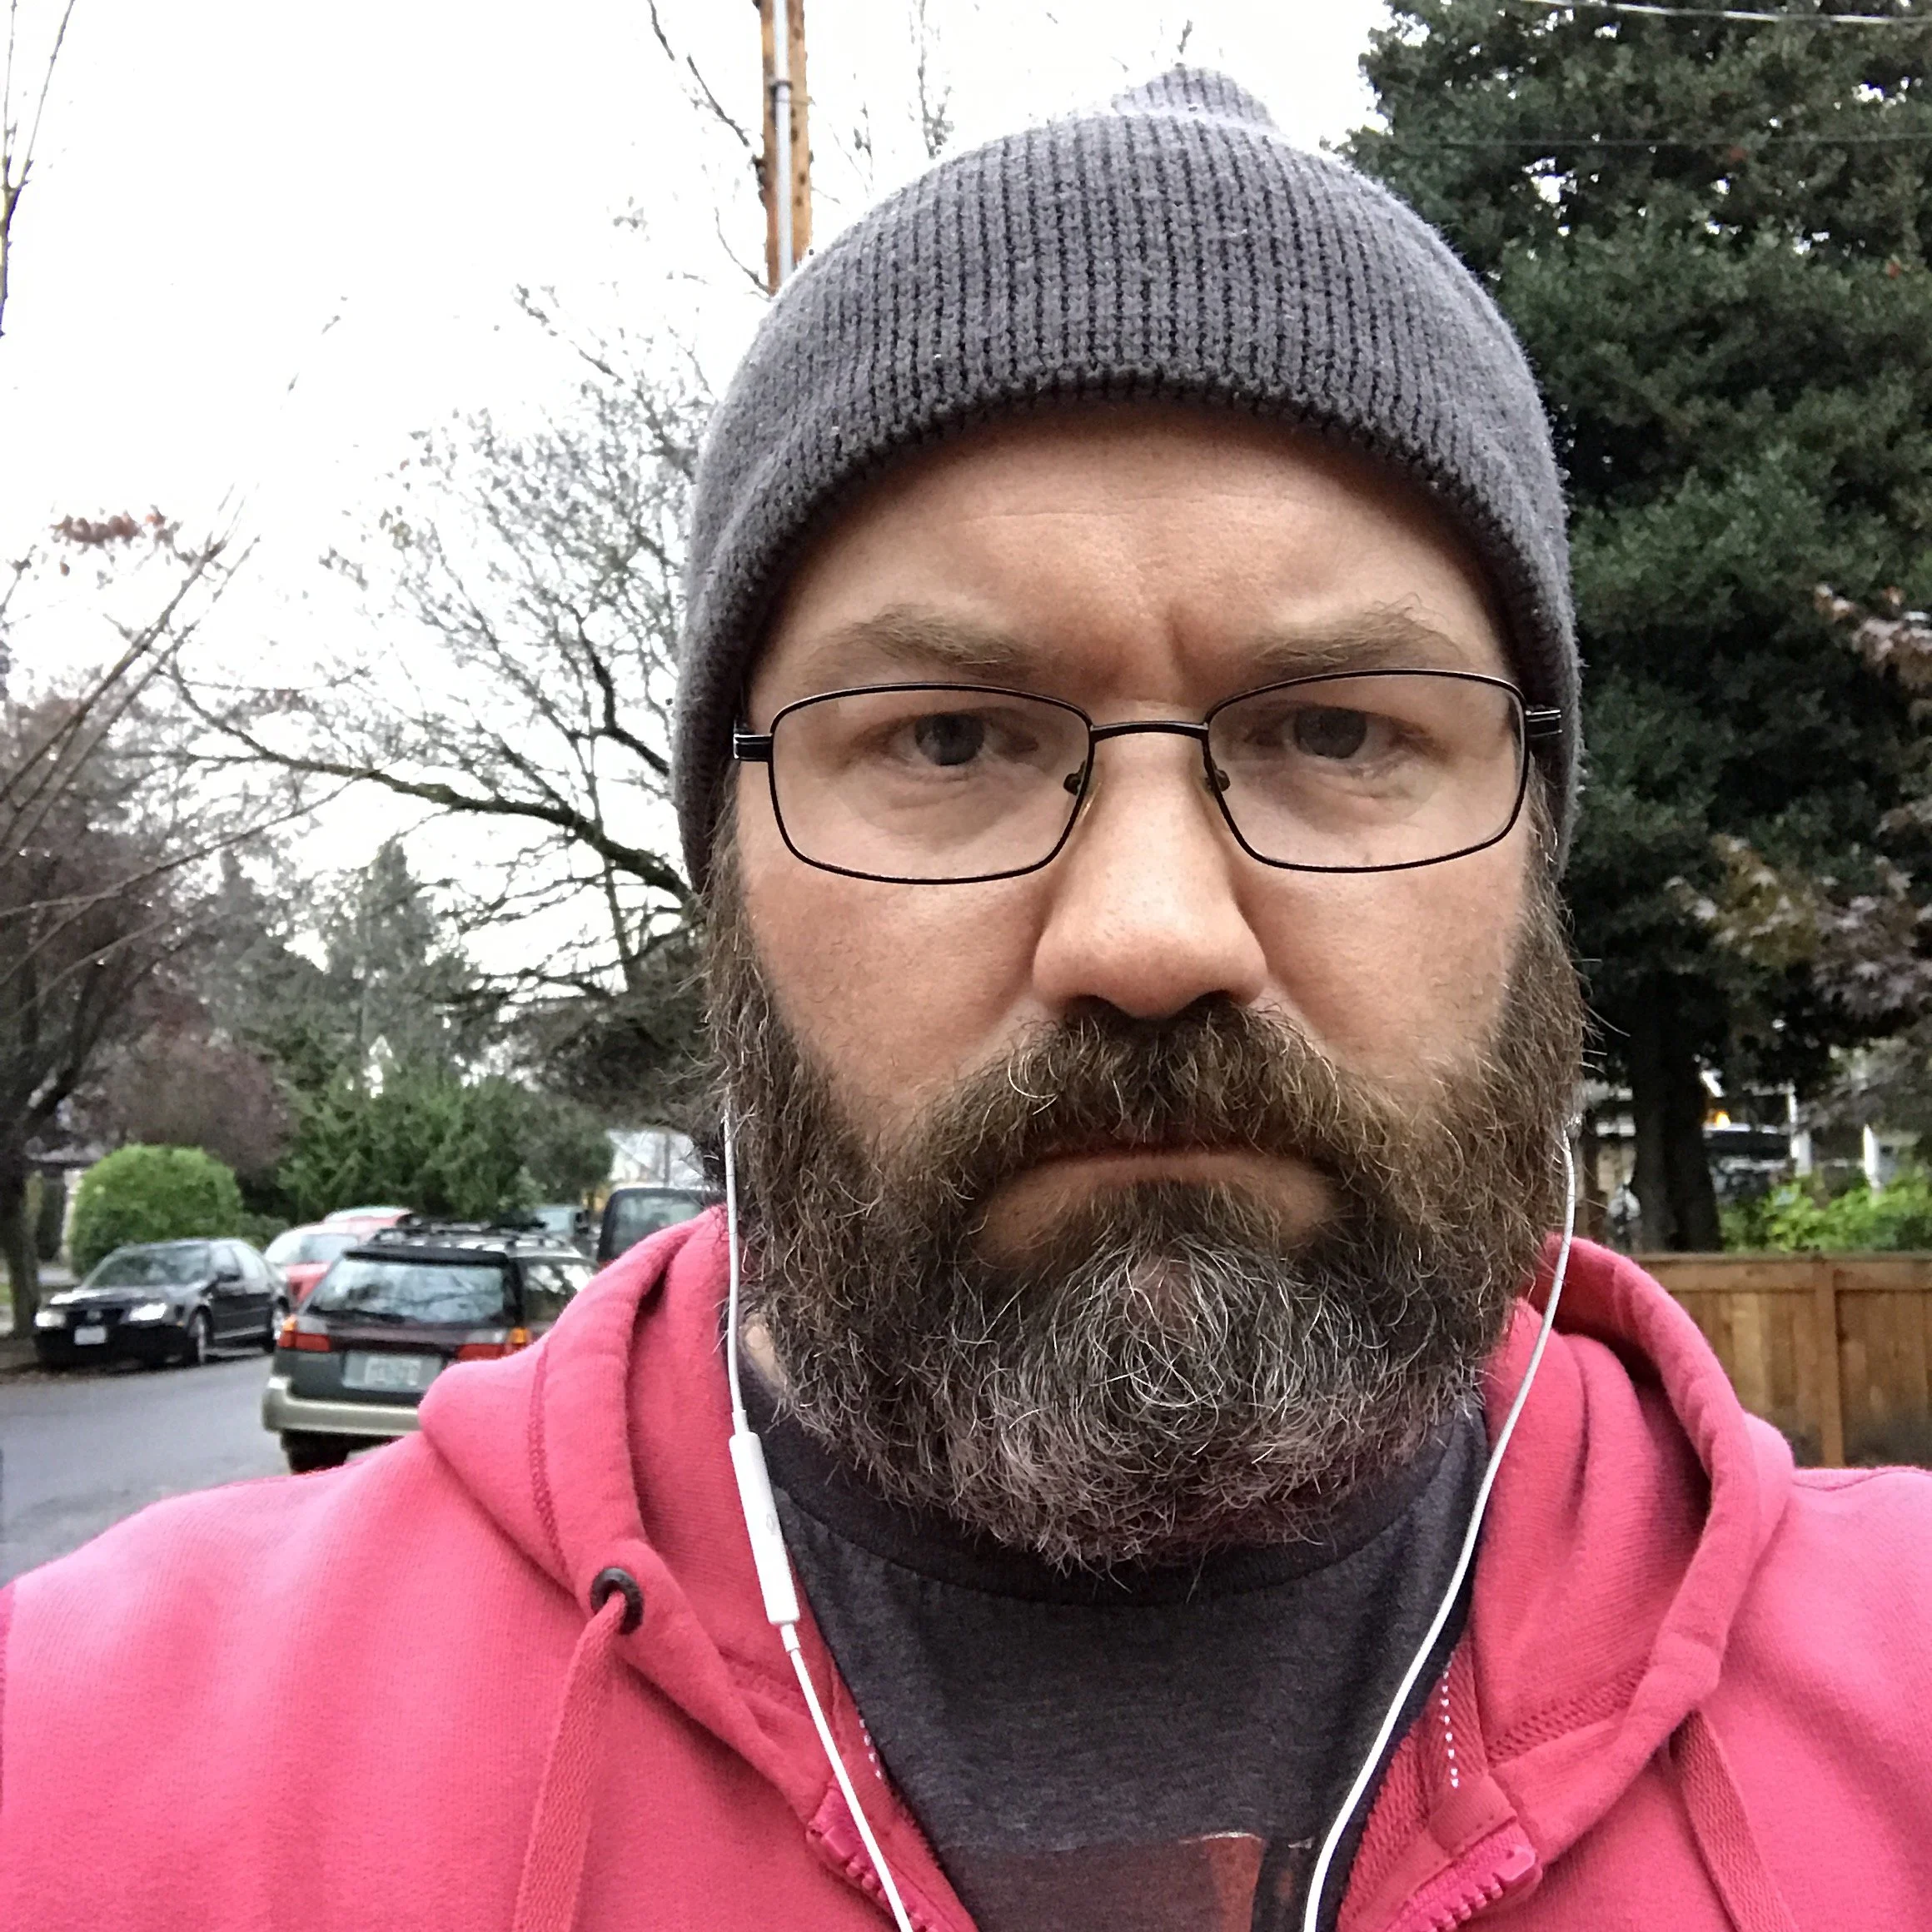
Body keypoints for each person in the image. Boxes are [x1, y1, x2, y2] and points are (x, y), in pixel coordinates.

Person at [2, 67, 1929, 1932]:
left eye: (1337, 727)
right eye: (943, 737)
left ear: (1528, 840)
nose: (1154, 929)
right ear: (726, 866)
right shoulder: (88, 1774)